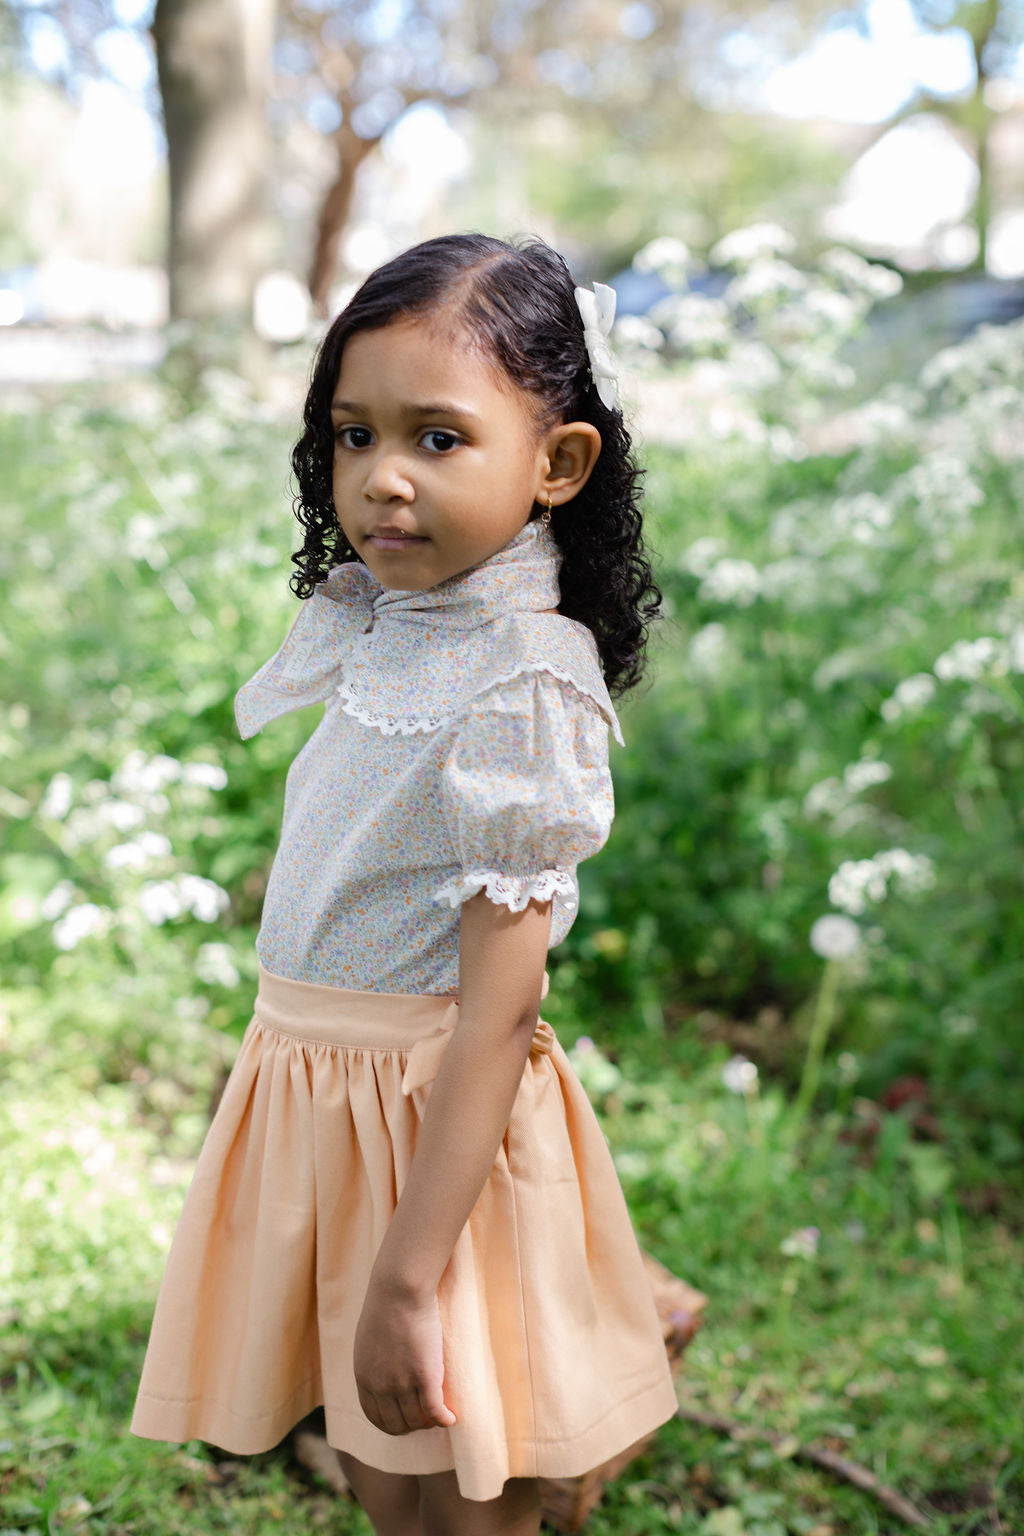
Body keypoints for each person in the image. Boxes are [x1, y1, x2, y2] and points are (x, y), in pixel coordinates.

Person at [131, 233, 679, 1536]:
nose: (381, 479)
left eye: (438, 439)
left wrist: (410, 1279)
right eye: (353, 434)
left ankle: (596, 1344)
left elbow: (498, 1009)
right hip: (328, 1097)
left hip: (429, 1125)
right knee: (387, 1445)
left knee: (438, 1472)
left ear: (557, 462)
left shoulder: (522, 684)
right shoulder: (395, 617)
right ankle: (611, 1313)